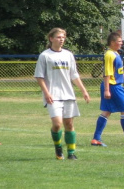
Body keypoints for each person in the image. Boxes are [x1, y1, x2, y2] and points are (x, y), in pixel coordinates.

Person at [34, 28, 90, 160]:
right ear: (51, 39)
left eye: (63, 37)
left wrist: (83, 90)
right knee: (57, 123)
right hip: (53, 95)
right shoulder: (45, 56)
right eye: (58, 37)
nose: (61, 40)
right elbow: (39, 77)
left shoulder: (68, 55)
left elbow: (74, 75)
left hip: (68, 94)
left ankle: (71, 153)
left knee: (69, 123)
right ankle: (58, 148)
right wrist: (46, 93)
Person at [91, 32, 124, 147]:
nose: (121, 44)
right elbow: (107, 73)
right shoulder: (110, 55)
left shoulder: (115, 54)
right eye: (119, 41)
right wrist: (107, 90)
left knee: (107, 112)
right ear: (113, 42)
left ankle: (96, 139)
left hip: (114, 85)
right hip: (113, 86)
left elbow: (118, 72)